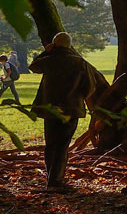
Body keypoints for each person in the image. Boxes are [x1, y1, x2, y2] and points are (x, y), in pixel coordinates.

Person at [28, 32, 96, 191]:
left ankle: (51, 179)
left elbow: (33, 66)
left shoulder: (49, 61)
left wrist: (47, 51)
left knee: (51, 144)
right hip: (71, 109)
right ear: (70, 45)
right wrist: (79, 97)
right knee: (62, 145)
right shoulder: (80, 63)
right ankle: (55, 181)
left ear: (55, 45)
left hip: (50, 109)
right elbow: (90, 87)